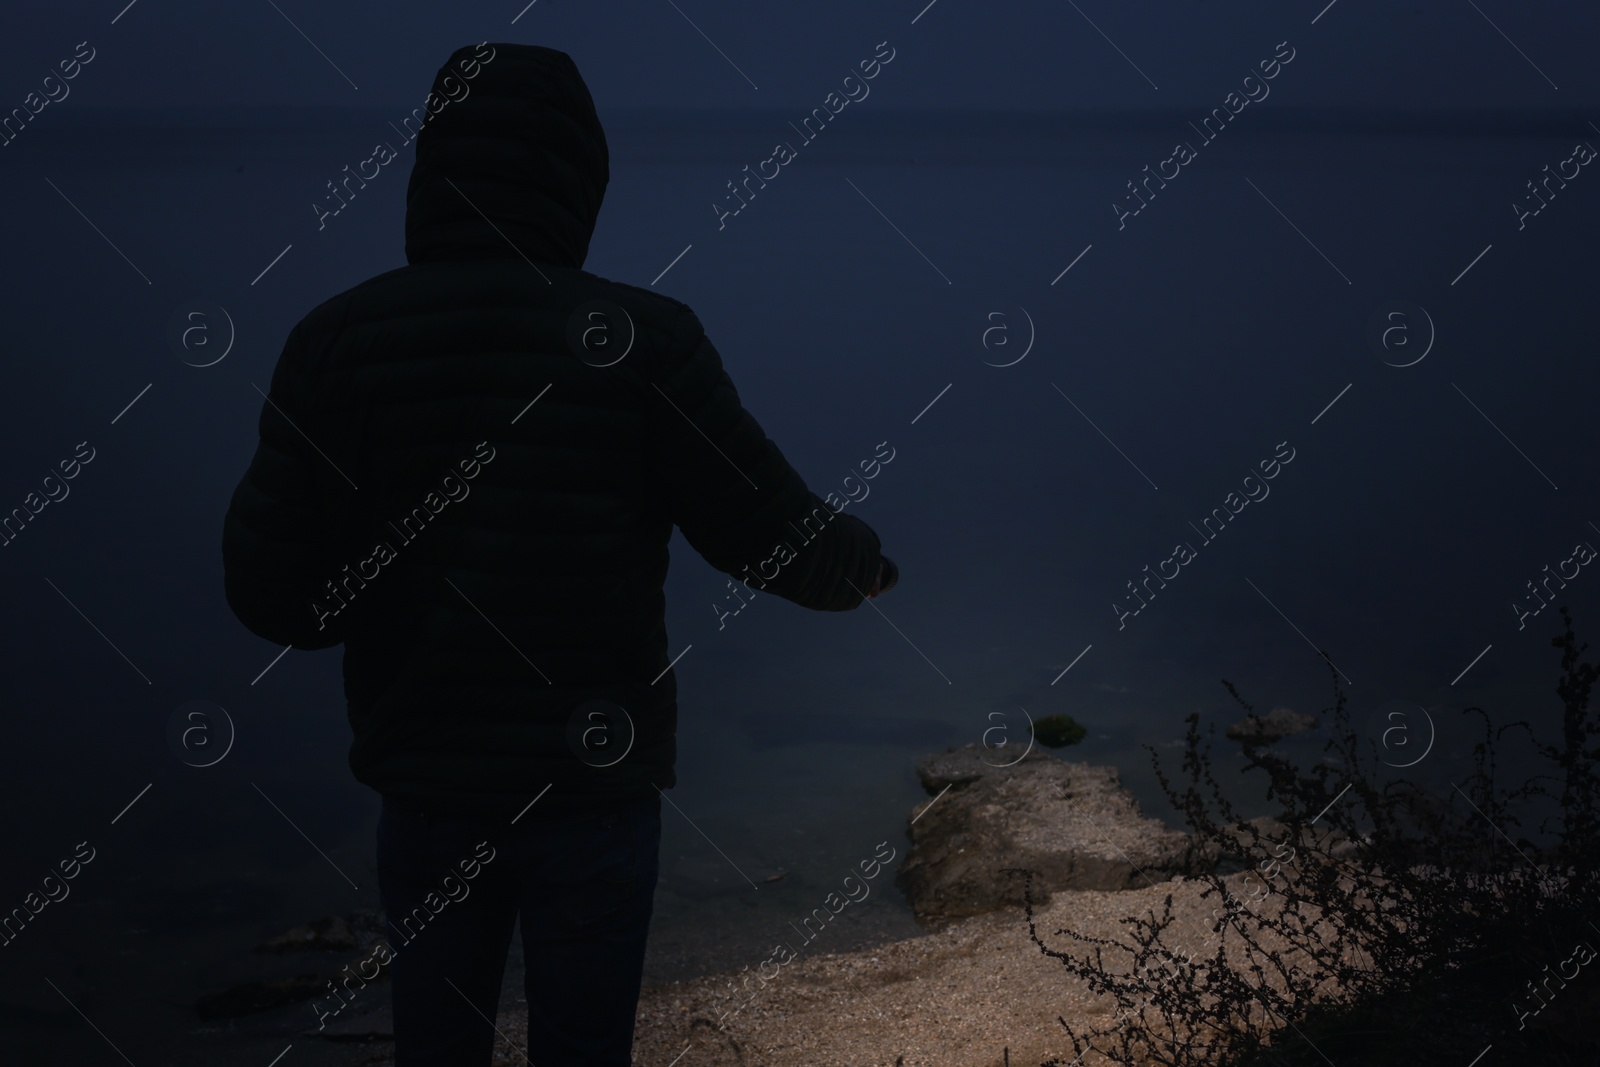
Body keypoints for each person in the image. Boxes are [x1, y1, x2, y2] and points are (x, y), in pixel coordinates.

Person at [220, 42, 895, 1067]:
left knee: (437, 1046)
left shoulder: (335, 341)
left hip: (429, 778)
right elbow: (771, 536)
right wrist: (869, 565)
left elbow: (271, 596)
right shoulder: (640, 338)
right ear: (580, 179)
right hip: (590, 785)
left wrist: (392, 572)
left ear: (430, 172)